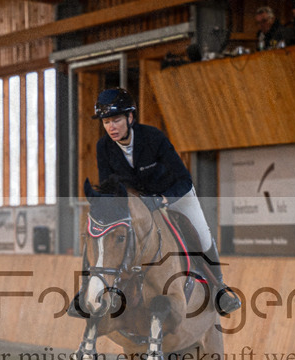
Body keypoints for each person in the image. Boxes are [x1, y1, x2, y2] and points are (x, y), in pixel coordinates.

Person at [90, 87, 241, 317]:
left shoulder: (153, 138)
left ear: (130, 117)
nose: (111, 127)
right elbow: (109, 186)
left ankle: (220, 288)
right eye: (106, 121)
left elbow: (183, 178)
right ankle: (92, 289)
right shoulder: (103, 147)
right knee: (102, 234)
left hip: (175, 194)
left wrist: (163, 199)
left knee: (200, 233)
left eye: (116, 120)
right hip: (140, 202)